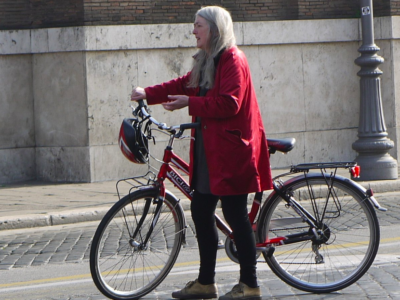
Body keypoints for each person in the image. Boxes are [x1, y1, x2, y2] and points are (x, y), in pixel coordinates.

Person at [131, 6, 273, 300]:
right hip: (211, 152)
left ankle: (250, 284)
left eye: (198, 26)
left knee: (236, 215)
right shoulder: (207, 59)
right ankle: (205, 283)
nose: (193, 30)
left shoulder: (233, 58)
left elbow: (230, 103)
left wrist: (189, 104)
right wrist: (149, 93)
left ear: (214, 30)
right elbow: (185, 85)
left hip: (232, 152)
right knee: (200, 210)